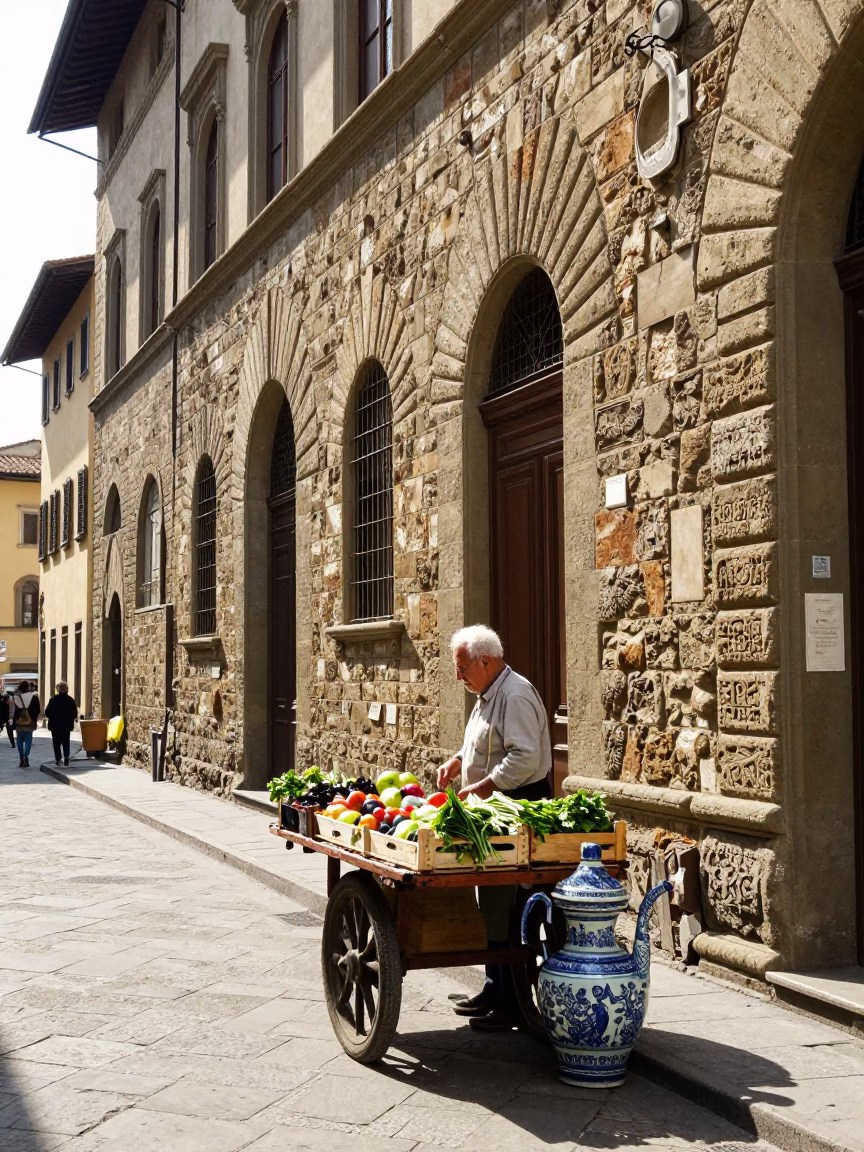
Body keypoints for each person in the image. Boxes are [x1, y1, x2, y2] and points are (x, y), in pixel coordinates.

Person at [437, 625, 551, 1032]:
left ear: (486, 661)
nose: (459, 676)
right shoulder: (488, 692)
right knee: (492, 904)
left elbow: (523, 757)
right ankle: (494, 987)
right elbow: (485, 744)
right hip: (494, 814)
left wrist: (484, 785)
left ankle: (511, 1002)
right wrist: (457, 760)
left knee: (508, 905)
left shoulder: (515, 695)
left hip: (518, 813)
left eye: (463, 667)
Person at [45, 682, 78, 767]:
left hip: (55, 725)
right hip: (66, 725)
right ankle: (66, 756)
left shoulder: (53, 700)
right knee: (66, 741)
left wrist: (52, 717)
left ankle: (58, 759)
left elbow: (47, 712)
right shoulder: (70, 700)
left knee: (56, 743)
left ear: (58, 689)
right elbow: (74, 713)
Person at [11, 681, 40, 769]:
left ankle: (21, 757)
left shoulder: (15, 698)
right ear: (28, 688)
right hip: (30, 722)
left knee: (19, 739)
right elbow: (37, 710)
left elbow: (13, 711)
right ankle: (26, 756)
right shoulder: (34, 698)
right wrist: (33, 717)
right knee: (28, 738)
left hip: (19, 722)